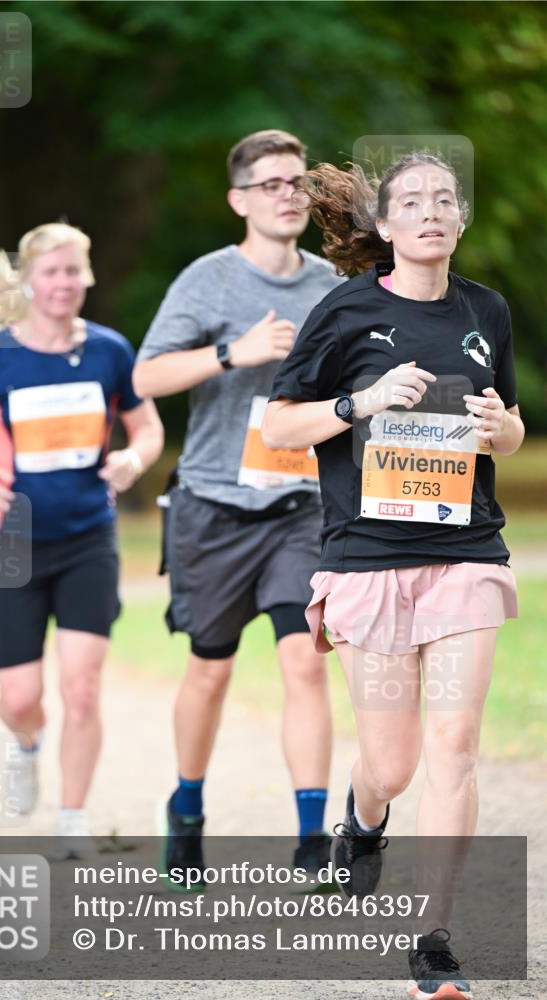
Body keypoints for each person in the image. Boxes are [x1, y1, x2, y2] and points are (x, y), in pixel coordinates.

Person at [263, 151, 523, 999]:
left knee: (453, 747)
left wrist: (499, 428)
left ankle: (432, 939)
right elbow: (279, 426)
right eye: (410, 201)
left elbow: (512, 428)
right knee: (393, 764)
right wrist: (359, 404)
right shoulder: (344, 311)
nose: (430, 211)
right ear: (383, 223)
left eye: (445, 199)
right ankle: (363, 816)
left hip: (464, 553)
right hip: (368, 559)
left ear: (461, 217)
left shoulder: (485, 311)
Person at [133, 130, 344, 880]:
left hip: (302, 504)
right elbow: (145, 378)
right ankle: (187, 810)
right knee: (210, 672)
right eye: (270, 184)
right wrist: (232, 352)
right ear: (238, 200)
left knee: (305, 664)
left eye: (297, 182)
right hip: (214, 504)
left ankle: (312, 841)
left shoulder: (332, 285)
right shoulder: (208, 280)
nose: (288, 195)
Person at [0, 223, 164, 850]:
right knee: (20, 697)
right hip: (10, 541)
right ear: (28, 280)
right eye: (51, 272)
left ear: (86, 277)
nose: (63, 283)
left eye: (73, 271)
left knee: (82, 688)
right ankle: (26, 744)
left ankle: (73, 817)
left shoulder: (109, 351)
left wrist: (133, 459)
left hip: (87, 539)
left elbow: (147, 427)